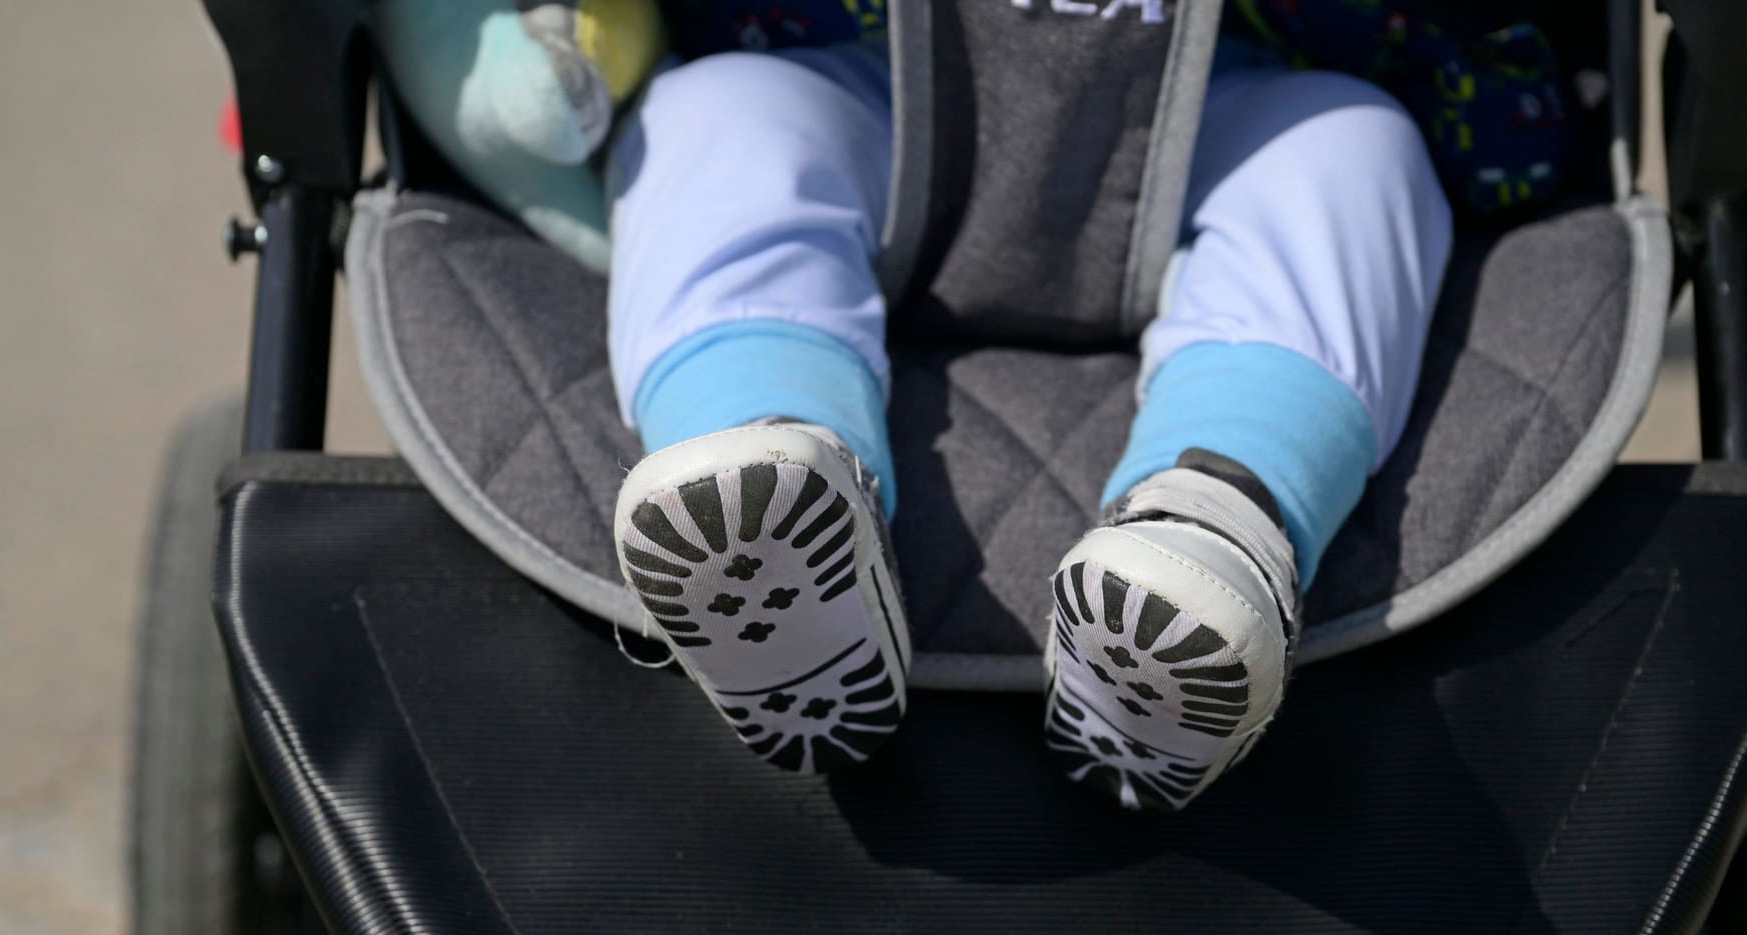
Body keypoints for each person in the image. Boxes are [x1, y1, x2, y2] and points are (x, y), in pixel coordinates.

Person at [606, 22, 1454, 810]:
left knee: (1350, 146)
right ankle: (764, 470)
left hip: (1208, 100)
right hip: (880, 72)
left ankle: (1211, 530)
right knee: (718, 114)